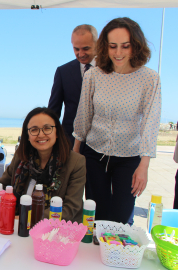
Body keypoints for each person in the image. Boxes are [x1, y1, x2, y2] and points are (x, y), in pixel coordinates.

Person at [73, 17, 162, 224]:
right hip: (94, 153)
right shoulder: (93, 75)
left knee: (122, 216)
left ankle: (117, 254)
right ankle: (95, 254)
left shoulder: (150, 79)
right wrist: (76, 155)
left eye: (125, 46)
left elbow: (150, 122)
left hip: (129, 156)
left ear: (136, 46)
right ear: (105, 46)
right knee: (97, 214)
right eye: (113, 46)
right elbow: (83, 116)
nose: (118, 53)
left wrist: (144, 166)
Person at [0, 107, 86, 223]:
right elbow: (2, 184)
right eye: (34, 130)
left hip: (59, 229)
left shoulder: (76, 162)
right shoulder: (21, 157)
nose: (41, 134)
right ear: (28, 135)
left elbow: (70, 208)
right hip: (19, 226)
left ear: (57, 133)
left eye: (47, 128)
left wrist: (27, 218)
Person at [48, 24, 98, 146]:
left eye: (86, 48)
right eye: (76, 49)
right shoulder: (63, 72)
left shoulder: (109, 70)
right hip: (69, 142)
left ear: (97, 44)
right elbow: (53, 112)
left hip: (100, 144)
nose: (81, 54)